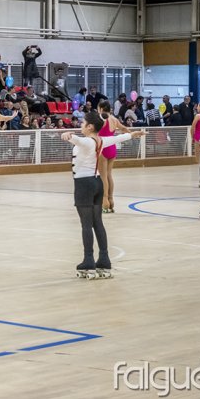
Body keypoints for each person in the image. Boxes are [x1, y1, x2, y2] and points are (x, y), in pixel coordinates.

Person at [61, 113, 144, 280]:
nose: (81, 124)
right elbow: (116, 139)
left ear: (90, 126)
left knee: (86, 225)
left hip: (84, 185)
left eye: (83, 122)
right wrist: (131, 135)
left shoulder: (86, 141)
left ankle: (88, 260)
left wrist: (67, 135)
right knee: (97, 223)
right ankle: (104, 259)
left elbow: (76, 140)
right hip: (98, 183)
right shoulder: (101, 140)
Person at [96, 100, 130, 213]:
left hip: (103, 147)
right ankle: (111, 200)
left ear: (101, 109)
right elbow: (124, 129)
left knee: (103, 176)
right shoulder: (114, 119)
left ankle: (104, 202)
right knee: (109, 175)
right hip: (112, 148)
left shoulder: (101, 118)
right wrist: (132, 134)